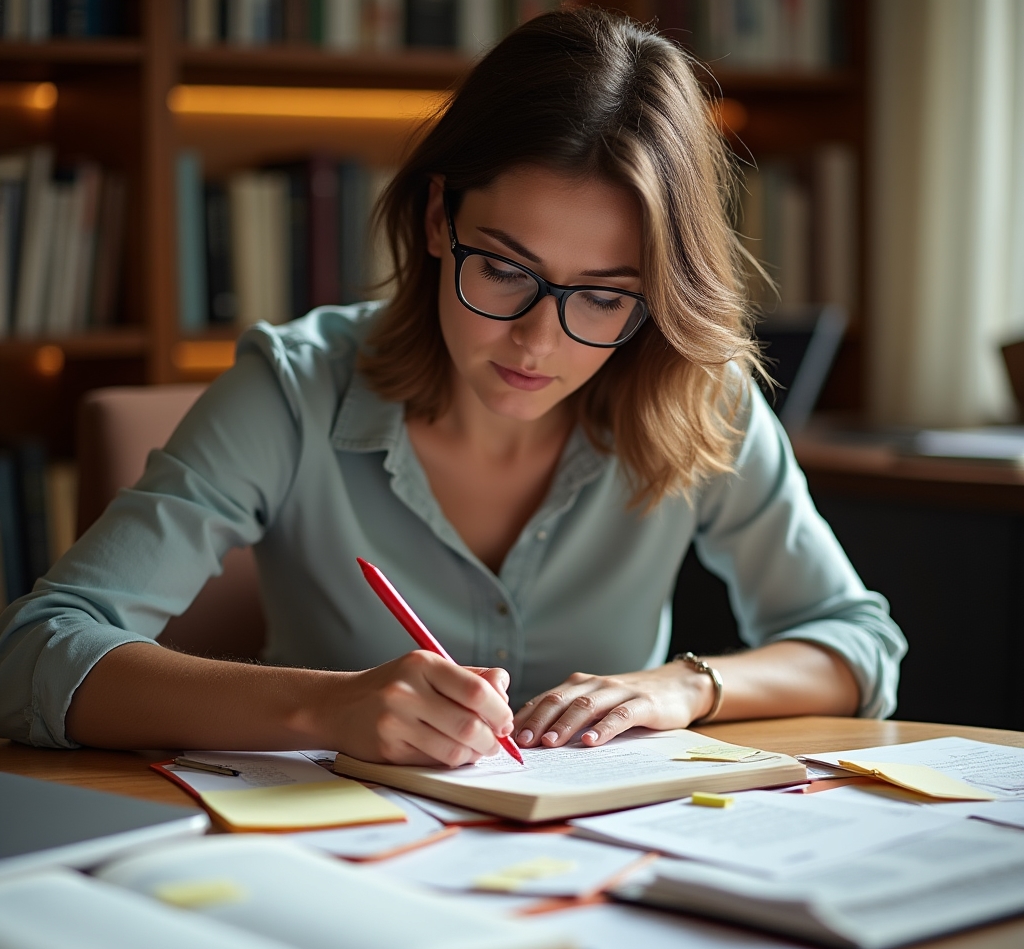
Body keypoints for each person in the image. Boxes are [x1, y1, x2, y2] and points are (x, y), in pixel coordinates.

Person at [0, 9, 905, 763]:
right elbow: (34, 652)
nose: (538, 341)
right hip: (333, 868)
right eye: (507, 270)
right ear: (438, 219)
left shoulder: (696, 393)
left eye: (602, 296)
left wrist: (686, 686)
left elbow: (858, 646)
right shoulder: (294, 388)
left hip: (605, 879)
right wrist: (325, 709)